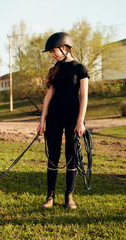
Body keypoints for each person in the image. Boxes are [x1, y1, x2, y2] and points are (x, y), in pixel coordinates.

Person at [37, 32, 90, 209]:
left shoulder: (80, 69)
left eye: (54, 51)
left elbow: (84, 97)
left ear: (65, 48)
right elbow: (48, 96)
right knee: (53, 155)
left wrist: (80, 121)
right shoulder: (54, 70)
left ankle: (69, 197)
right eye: (51, 52)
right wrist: (42, 120)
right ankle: (50, 197)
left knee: (72, 156)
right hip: (54, 117)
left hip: (73, 118)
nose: (52, 54)